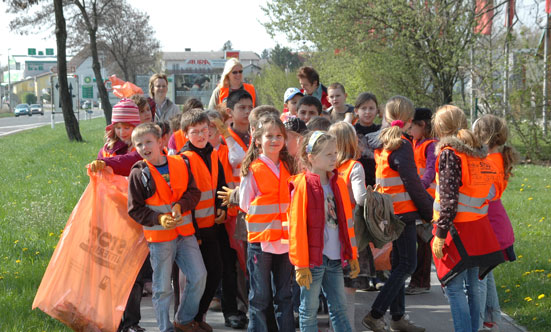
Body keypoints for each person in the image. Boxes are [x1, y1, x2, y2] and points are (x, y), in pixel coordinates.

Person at [361, 96, 432, 332]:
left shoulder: (381, 142)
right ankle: (376, 313)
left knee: (398, 264)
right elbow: (413, 184)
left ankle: (398, 317)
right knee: (408, 265)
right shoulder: (401, 145)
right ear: (410, 121)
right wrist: (431, 212)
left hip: (389, 213)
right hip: (403, 215)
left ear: (385, 116)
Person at [431, 105, 505, 332]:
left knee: (454, 288)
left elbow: (449, 200)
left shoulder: (449, 154)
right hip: (479, 228)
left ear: (440, 128)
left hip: (456, 231)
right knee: (474, 287)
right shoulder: (477, 153)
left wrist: (440, 235)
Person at [127, 122, 206, 332]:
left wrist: (181, 205)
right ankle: (165, 328)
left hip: (185, 234)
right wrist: (159, 218)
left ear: (161, 141)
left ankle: (183, 319)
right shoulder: (139, 173)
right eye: (138, 145)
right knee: (162, 288)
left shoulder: (181, 163)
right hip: (160, 239)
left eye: (148, 142)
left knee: (199, 276)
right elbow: (134, 210)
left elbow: (193, 193)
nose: (144, 148)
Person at [287, 130, 359, 332]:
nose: (334, 158)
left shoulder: (339, 183)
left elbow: (346, 223)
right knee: (308, 310)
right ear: (311, 158)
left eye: (335, 153)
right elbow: (297, 227)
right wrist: (300, 263)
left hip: (335, 259)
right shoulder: (302, 184)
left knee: (339, 308)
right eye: (328, 154)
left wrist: (352, 255)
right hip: (312, 262)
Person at [239, 114, 297, 332]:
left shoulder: (288, 166)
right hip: (261, 242)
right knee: (260, 298)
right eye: (269, 136)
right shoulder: (252, 170)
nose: (274, 140)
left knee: (285, 296)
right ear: (257, 141)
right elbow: (245, 204)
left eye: (278, 136)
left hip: (284, 240)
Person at [179, 109, 228, 332]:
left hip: (212, 227)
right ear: (185, 134)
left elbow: (220, 187)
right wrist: (194, 231)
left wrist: (222, 207)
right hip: (193, 231)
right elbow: (184, 198)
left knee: (215, 272)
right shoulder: (183, 159)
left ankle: (197, 317)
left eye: (204, 130)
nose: (201, 135)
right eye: (195, 131)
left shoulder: (214, 154)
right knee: (195, 277)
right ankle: (185, 320)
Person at [473, 114, 518, 332]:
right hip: (496, 225)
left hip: (489, 227)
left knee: (479, 276)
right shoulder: (498, 158)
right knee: (486, 274)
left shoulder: (488, 163)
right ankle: (492, 320)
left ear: (483, 135)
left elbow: (484, 194)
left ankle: (478, 323)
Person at [328, 121, 374, 330]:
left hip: (328, 233)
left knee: (331, 287)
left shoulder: (326, 166)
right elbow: (361, 198)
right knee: (348, 289)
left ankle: (333, 326)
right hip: (350, 235)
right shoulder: (354, 167)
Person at [405, 107, 437, 296]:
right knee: (418, 239)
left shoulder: (431, 145)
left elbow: (431, 169)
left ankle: (421, 281)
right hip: (417, 197)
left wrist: (419, 187)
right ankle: (418, 280)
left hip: (427, 199)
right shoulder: (415, 142)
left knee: (424, 241)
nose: (409, 131)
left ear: (422, 125)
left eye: (412, 127)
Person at [353, 93, 381, 187]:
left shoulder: (380, 130)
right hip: (357, 178)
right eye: (363, 108)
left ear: (377, 110)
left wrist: (384, 113)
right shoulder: (352, 130)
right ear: (356, 110)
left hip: (377, 178)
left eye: (371, 108)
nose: (367, 112)